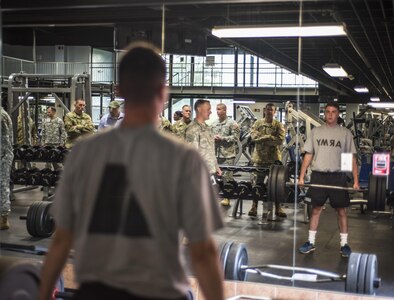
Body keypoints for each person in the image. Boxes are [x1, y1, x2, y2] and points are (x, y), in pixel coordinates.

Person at [38, 42, 224, 300]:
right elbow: (203, 252)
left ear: (119, 90)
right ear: (163, 92)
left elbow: (62, 239)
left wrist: (43, 293)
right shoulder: (184, 158)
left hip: (96, 294)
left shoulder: (84, 153)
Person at [298, 102, 359, 258]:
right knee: (316, 209)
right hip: (319, 175)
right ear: (324, 113)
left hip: (337, 177)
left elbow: (350, 159)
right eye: (327, 112)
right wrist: (301, 176)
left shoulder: (345, 133)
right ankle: (310, 242)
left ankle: (344, 244)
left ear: (338, 114)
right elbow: (308, 155)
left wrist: (355, 181)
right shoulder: (316, 132)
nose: (330, 114)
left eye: (333, 112)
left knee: (341, 211)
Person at [248, 103, 286, 218]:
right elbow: (254, 138)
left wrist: (262, 138)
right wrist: (269, 137)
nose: (269, 111)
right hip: (259, 159)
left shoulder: (278, 125)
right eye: (268, 109)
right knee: (256, 184)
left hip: (273, 161)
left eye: (272, 110)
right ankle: (254, 206)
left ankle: (278, 208)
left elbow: (280, 140)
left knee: (276, 186)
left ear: (275, 112)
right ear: (264, 111)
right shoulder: (257, 123)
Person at [211, 103, 240, 206]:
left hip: (228, 155)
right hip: (217, 155)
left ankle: (227, 197)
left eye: (219, 109)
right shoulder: (214, 124)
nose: (217, 111)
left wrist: (222, 138)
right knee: (216, 178)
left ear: (225, 110)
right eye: (216, 109)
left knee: (227, 178)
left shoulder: (232, 123)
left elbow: (236, 138)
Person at [185, 99, 222, 178]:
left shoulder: (207, 128)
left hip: (210, 171)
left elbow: (211, 150)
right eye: (208, 109)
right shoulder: (192, 129)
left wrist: (216, 167)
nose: (211, 112)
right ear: (199, 110)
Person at [1, 106, 14, 230]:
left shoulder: (1, 116)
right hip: (3, 155)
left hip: (3, 157)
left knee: (2, 186)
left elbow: (5, 141)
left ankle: (3, 218)